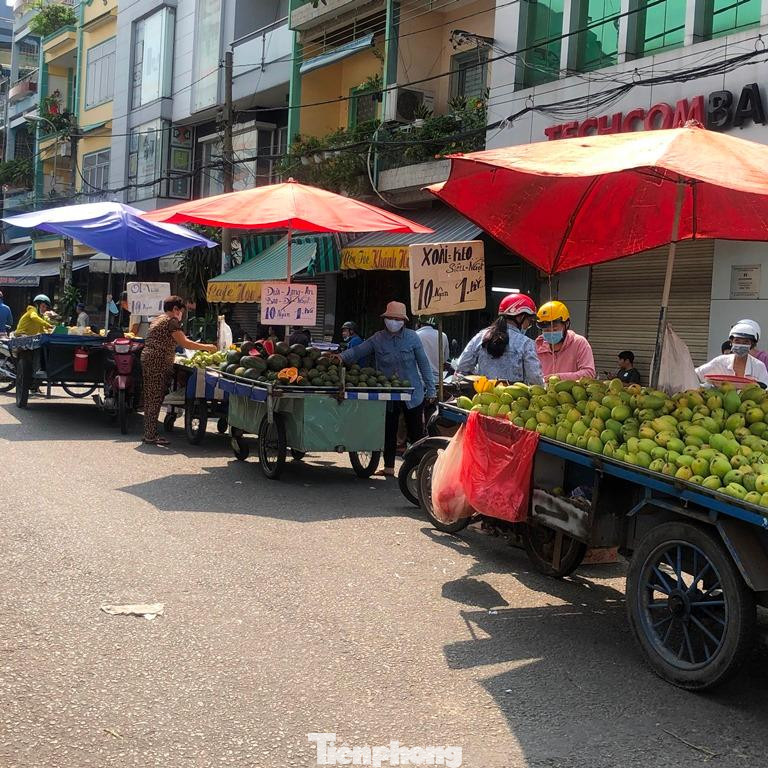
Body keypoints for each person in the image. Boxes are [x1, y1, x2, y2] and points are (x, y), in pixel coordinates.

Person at [338, 301, 435, 477]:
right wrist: (340, 357)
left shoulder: (412, 337)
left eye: (397, 319)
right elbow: (358, 351)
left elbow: (423, 364)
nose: (393, 322)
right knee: (388, 429)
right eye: (390, 318)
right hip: (388, 393)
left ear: (403, 321)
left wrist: (431, 389)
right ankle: (389, 467)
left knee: (416, 433)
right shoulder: (378, 338)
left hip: (412, 393)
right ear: (385, 319)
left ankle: (419, 469)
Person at [140, 295, 217, 446]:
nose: (181, 314)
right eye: (181, 311)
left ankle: (149, 433)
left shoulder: (158, 319)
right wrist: (208, 347)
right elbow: (185, 343)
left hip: (149, 359)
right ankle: (150, 436)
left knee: (151, 397)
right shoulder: (171, 321)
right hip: (157, 361)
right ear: (175, 309)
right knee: (155, 398)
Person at [456, 294, 543, 383]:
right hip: (514, 392)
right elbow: (535, 378)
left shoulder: (481, 336)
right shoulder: (526, 343)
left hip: (483, 391)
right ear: (520, 317)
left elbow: (462, 366)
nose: (528, 326)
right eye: (529, 321)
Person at [535, 300, 596, 381]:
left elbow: (589, 373)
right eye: (546, 330)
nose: (550, 332)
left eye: (554, 329)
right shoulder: (538, 346)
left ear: (566, 324)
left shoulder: (579, 343)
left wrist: (559, 378)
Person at [696, 321, 768, 387]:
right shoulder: (720, 362)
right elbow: (696, 375)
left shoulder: (759, 366)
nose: (741, 345)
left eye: (745, 342)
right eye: (737, 341)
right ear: (731, 342)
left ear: (751, 344)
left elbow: (765, 389)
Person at [415, 316, 449, 381]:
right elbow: (445, 359)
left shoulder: (415, 335)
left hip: (419, 379)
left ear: (419, 323)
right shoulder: (443, 336)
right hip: (437, 380)